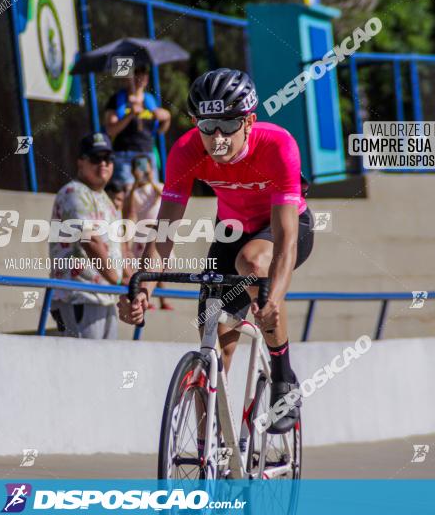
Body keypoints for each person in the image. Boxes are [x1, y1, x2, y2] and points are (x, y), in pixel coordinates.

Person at [117, 68, 315, 433]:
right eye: (208, 126)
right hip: (231, 232)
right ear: (195, 123)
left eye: (228, 124)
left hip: (286, 228)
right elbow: (163, 235)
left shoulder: (279, 145)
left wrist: (275, 297)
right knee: (215, 345)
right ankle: (215, 456)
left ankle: (283, 377)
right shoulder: (186, 150)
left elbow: (285, 240)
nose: (218, 138)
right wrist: (142, 292)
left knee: (253, 261)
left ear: (249, 121)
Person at [49, 133, 125, 339]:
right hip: (79, 295)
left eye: (108, 159)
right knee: (84, 366)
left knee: (104, 366)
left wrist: (127, 280)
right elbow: (90, 240)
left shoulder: (104, 198)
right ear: (80, 162)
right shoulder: (74, 192)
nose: (103, 164)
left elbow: (119, 245)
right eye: (95, 158)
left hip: (103, 296)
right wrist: (119, 281)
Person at [102, 65, 171, 189]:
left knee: (148, 193)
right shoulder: (117, 100)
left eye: (144, 72)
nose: (141, 76)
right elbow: (110, 131)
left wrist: (167, 118)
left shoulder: (151, 100)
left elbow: (160, 131)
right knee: (127, 192)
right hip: (124, 156)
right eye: (137, 72)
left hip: (147, 155)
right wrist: (130, 115)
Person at [123, 154, 173, 310]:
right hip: (142, 232)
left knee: (161, 267)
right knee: (144, 267)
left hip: (158, 230)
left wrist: (151, 180)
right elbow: (129, 209)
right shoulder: (131, 189)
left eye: (145, 166)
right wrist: (136, 184)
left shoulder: (157, 185)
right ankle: (145, 297)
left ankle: (163, 300)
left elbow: (164, 195)